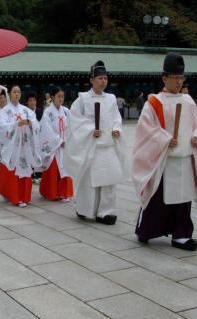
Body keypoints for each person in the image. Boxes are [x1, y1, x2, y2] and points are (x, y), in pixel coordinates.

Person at [132, 53, 197, 251]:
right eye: (175, 77)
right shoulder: (154, 103)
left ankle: (181, 235)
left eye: (181, 77)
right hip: (163, 159)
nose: (179, 81)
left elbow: (196, 125)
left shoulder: (188, 101)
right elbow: (145, 129)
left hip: (185, 156)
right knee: (158, 198)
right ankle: (147, 230)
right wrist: (164, 139)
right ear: (164, 78)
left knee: (183, 199)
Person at [65, 61, 129, 225]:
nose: (103, 81)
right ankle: (85, 209)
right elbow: (75, 121)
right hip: (91, 146)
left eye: (105, 78)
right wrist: (89, 130)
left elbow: (116, 117)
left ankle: (105, 212)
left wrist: (116, 128)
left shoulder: (111, 98)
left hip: (108, 146)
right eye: (100, 78)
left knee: (109, 180)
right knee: (90, 182)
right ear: (91, 80)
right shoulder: (83, 99)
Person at [0, 85, 41, 207]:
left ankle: (24, 196)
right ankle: (14, 195)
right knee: (13, 171)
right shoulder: (5, 111)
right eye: (14, 92)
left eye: (18, 92)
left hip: (25, 146)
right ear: (10, 94)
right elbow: (1, 127)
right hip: (13, 147)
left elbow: (37, 125)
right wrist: (16, 124)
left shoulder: (26, 110)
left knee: (25, 170)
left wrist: (31, 124)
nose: (16, 94)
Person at [38, 87, 74, 202]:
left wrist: (68, 139)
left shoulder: (66, 111)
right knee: (53, 169)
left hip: (65, 145)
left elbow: (71, 126)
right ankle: (51, 192)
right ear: (53, 97)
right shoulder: (48, 112)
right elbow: (46, 129)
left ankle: (64, 192)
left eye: (62, 96)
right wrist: (58, 141)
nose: (61, 99)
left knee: (66, 169)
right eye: (59, 96)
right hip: (55, 146)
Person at [26, 92, 43, 182]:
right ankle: (31, 173)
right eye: (30, 101)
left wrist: (35, 124)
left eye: (33, 100)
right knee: (30, 154)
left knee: (38, 153)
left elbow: (43, 124)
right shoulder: (25, 112)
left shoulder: (40, 111)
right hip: (29, 137)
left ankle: (39, 173)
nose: (32, 102)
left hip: (38, 136)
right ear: (27, 102)